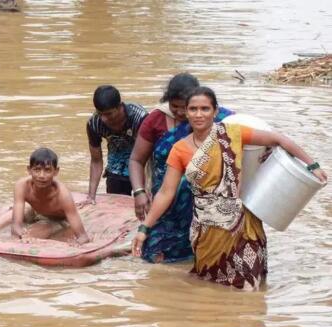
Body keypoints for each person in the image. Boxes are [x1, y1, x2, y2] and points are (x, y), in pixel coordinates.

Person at [132, 87, 327, 290]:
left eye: (205, 109)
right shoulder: (179, 149)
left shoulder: (233, 135)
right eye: (193, 109)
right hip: (206, 232)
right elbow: (166, 193)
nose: (199, 114)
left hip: (243, 226)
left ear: (216, 111)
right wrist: (144, 228)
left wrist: (312, 166)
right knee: (210, 286)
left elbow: (278, 139)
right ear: (186, 112)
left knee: (250, 288)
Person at [128, 73, 234, 263]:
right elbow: (136, 159)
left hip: (206, 203)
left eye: (183, 107)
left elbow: (251, 142)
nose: (178, 112)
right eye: (173, 106)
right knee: (154, 254)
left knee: (206, 256)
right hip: (166, 202)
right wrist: (139, 191)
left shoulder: (223, 119)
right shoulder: (156, 120)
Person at [0, 148, 90, 245]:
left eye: (47, 170)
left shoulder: (63, 195)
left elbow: (83, 236)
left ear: (56, 172)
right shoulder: (22, 185)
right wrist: (19, 234)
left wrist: (77, 243)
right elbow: (16, 225)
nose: (41, 176)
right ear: (29, 170)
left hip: (55, 219)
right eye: (37, 169)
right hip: (34, 211)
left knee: (30, 236)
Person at [85, 85, 148, 202]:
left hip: (142, 164)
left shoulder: (140, 118)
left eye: (108, 114)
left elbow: (147, 156)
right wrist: (91, 196)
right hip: (116, 168)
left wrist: (144, 191)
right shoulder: (94, 123)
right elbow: (96, 160)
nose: (104, 119)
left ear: (120, 107)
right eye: (100, 113)